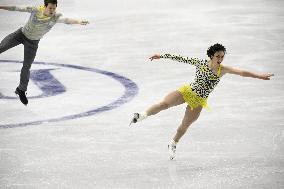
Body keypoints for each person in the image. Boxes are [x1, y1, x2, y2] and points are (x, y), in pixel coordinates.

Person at [130, 43, 274, 160]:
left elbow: (242, 72)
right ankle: (141, 115)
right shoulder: (200, 63)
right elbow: (181, 58)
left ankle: (173, 143)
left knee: (184, 125)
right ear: (211, 55)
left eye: (222, 56)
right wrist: (161, 55)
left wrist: (259, 76)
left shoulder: (223, 70)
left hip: (199, 101)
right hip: (187, 92)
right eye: (218, 56)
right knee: (164, 104)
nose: (220, 59)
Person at [0, 0, 89, 105]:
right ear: (45, 6)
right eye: (50, 8)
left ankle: (21, 90)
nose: (52, 10)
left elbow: (66, 20)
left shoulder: (55, 17)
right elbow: (17, 8)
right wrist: (1, 6)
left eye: (54, 8)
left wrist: (78, 22)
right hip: (20, 35)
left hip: (32, 43)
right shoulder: (36, 10)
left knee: (26, 66)